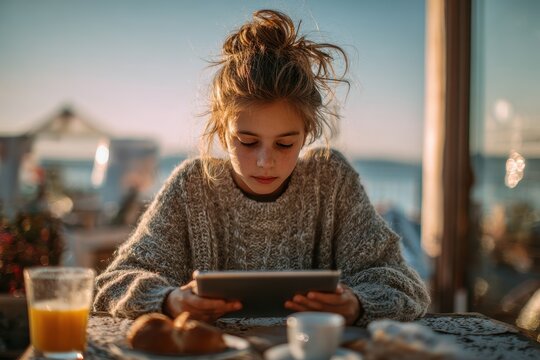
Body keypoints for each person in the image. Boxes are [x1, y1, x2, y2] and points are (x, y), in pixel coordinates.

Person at [93, 9, 430, 326]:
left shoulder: (331, 180)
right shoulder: (192, 186)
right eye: (248, 141)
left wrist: (357, 303)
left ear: (308, 133)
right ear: (222, 132)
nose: (265, 161)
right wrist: (169, 301)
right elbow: (113, 283)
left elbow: (406, 287)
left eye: (285, 144)